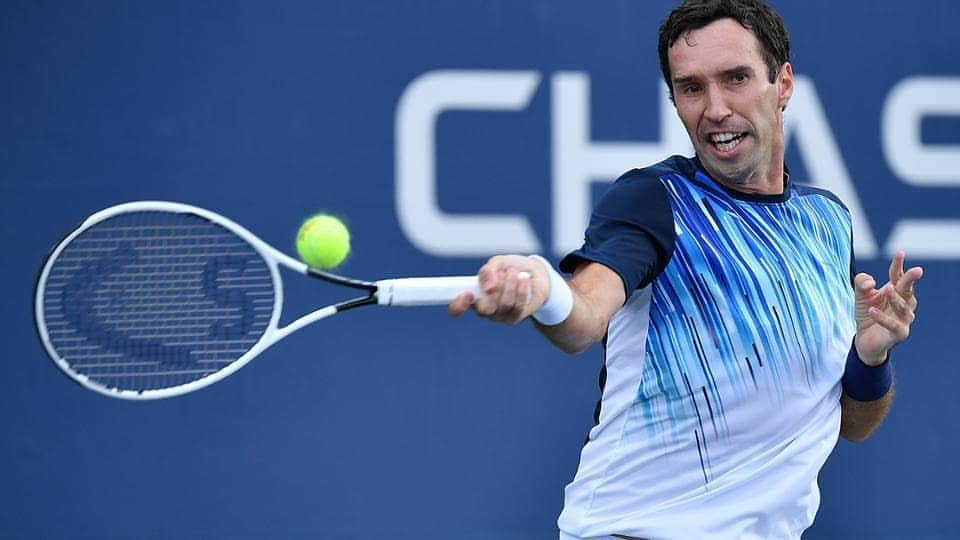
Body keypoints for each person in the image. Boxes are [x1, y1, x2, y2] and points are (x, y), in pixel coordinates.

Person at [448, 0, 923, 538]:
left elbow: (850, 425)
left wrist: (871, 356)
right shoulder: (654, 199)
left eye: (736, 78)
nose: (715, 108)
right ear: (675, 101)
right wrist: (542, 292)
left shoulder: (827, 223)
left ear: (783, 84)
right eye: (692, 88)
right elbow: (582, 319)